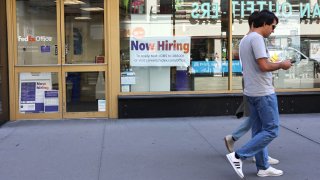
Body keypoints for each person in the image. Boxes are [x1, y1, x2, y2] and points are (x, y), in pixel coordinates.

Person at [226, 10, 292, 178]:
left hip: (251, 91)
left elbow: (258, 65)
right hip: (263, 92)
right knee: (272, 129)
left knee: (258, 130)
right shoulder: (257, 39)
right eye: (272, 26)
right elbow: (263, 66)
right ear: (264, 24)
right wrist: (282, 65)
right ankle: (238, 155)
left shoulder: (245, 40)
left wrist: (275, 63)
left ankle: (263, 167)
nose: (273, 30)